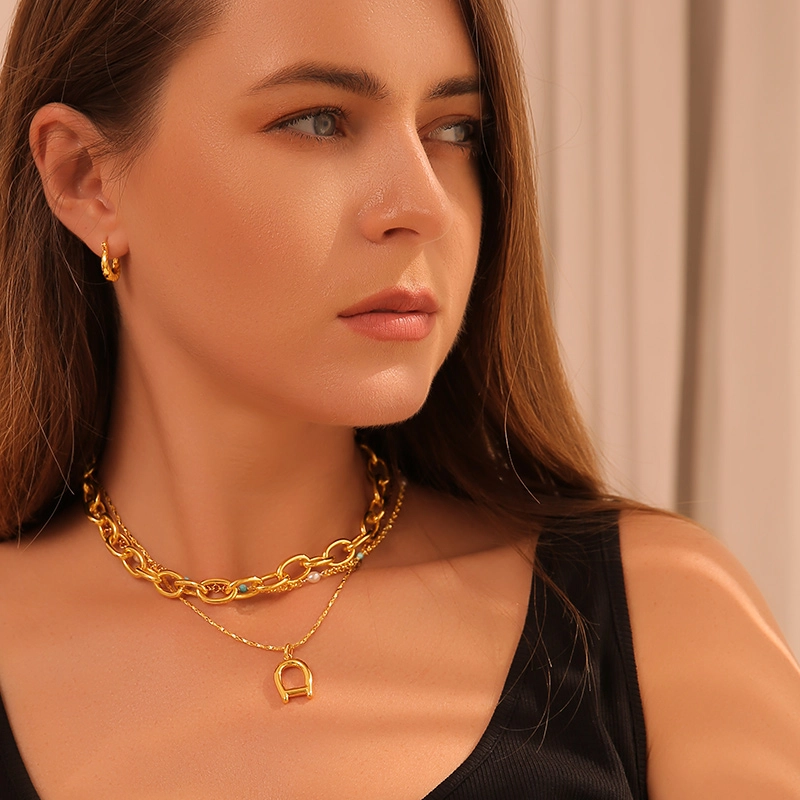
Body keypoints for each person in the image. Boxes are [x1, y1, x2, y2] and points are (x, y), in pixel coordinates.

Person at [0, 0, 798, 797]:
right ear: (86, 178)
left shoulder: (663, 619)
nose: (424, 206)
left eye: (454, 130)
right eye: (318, 122)